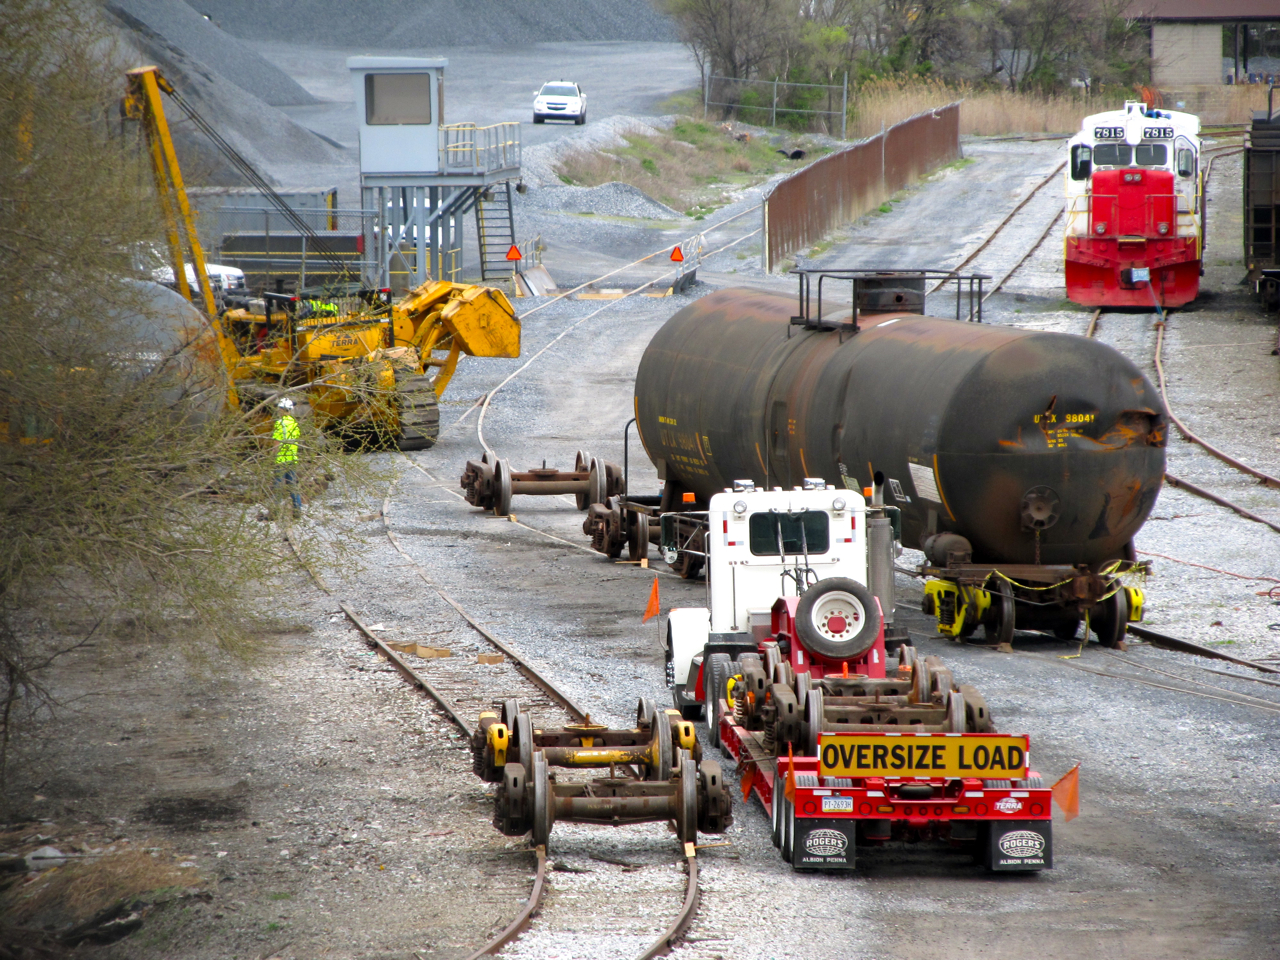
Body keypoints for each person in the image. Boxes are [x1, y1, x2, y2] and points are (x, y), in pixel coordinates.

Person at [273, 397, 302, 517]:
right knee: (292, 486)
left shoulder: (279, 423)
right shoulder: (294, 424)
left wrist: (273, 456)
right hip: (292, 458)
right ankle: (297, 510)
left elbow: (276, 443)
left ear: (281, 409)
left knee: (278, 487)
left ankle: (275, 511)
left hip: (281, 459)